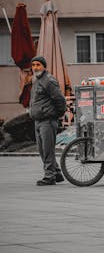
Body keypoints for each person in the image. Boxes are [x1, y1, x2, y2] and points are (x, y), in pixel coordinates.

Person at [29, 56, 67, 186]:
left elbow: (60, 100)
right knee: (42, 150)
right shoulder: (36, 80)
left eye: (38, 65)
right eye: (33, 65)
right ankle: (57, 173)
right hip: (38, 121)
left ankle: (49, 176)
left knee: (47, 150)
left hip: (48, 120)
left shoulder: (49, 81)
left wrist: (58, 114)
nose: (35, 67)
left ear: (44, 66)